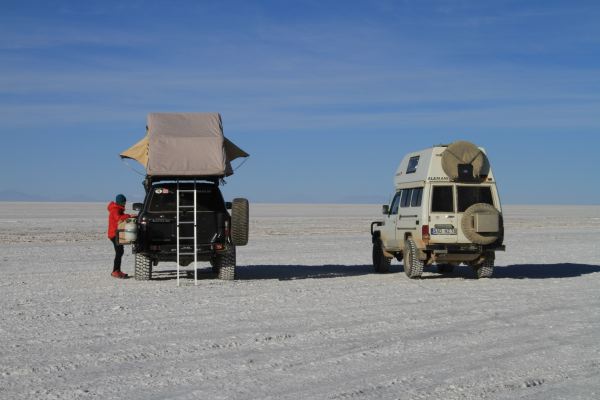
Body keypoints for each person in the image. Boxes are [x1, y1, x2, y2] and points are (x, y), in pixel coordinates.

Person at [107, 194, 131, 278]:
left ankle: (117, 270)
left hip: (116, 233)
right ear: (120, 202)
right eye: (124, 202)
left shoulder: (117, 209)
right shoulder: (115, 209)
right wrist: (128, 216)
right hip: (114, 234)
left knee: (120, 251)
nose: (125, 203)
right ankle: (115, 271)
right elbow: (118, 218)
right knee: (119, 252)